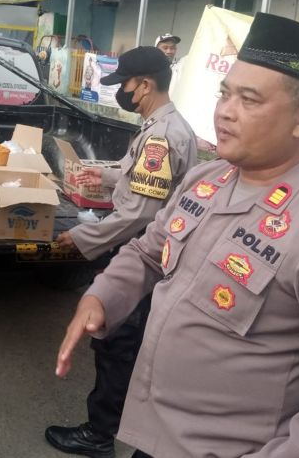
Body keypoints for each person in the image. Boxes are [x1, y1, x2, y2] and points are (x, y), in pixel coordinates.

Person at [56, 13, 299, 458]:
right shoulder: (206, 181)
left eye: (249, 100)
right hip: (154, 437)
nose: (225, 111)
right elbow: (149, 252)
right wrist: (101, 297)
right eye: (225, 94)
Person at [47, 46, 198, 458]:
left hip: (144, 256)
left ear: (145, 84)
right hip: (147, 252)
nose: (123, 92)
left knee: (116, 343)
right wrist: (107, 173)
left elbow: (140, 215)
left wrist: (81, 240)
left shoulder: (162, 137)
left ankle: (99, 433)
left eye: (126, 84)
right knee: (122, 344)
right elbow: (141, 181)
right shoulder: (163, 126)